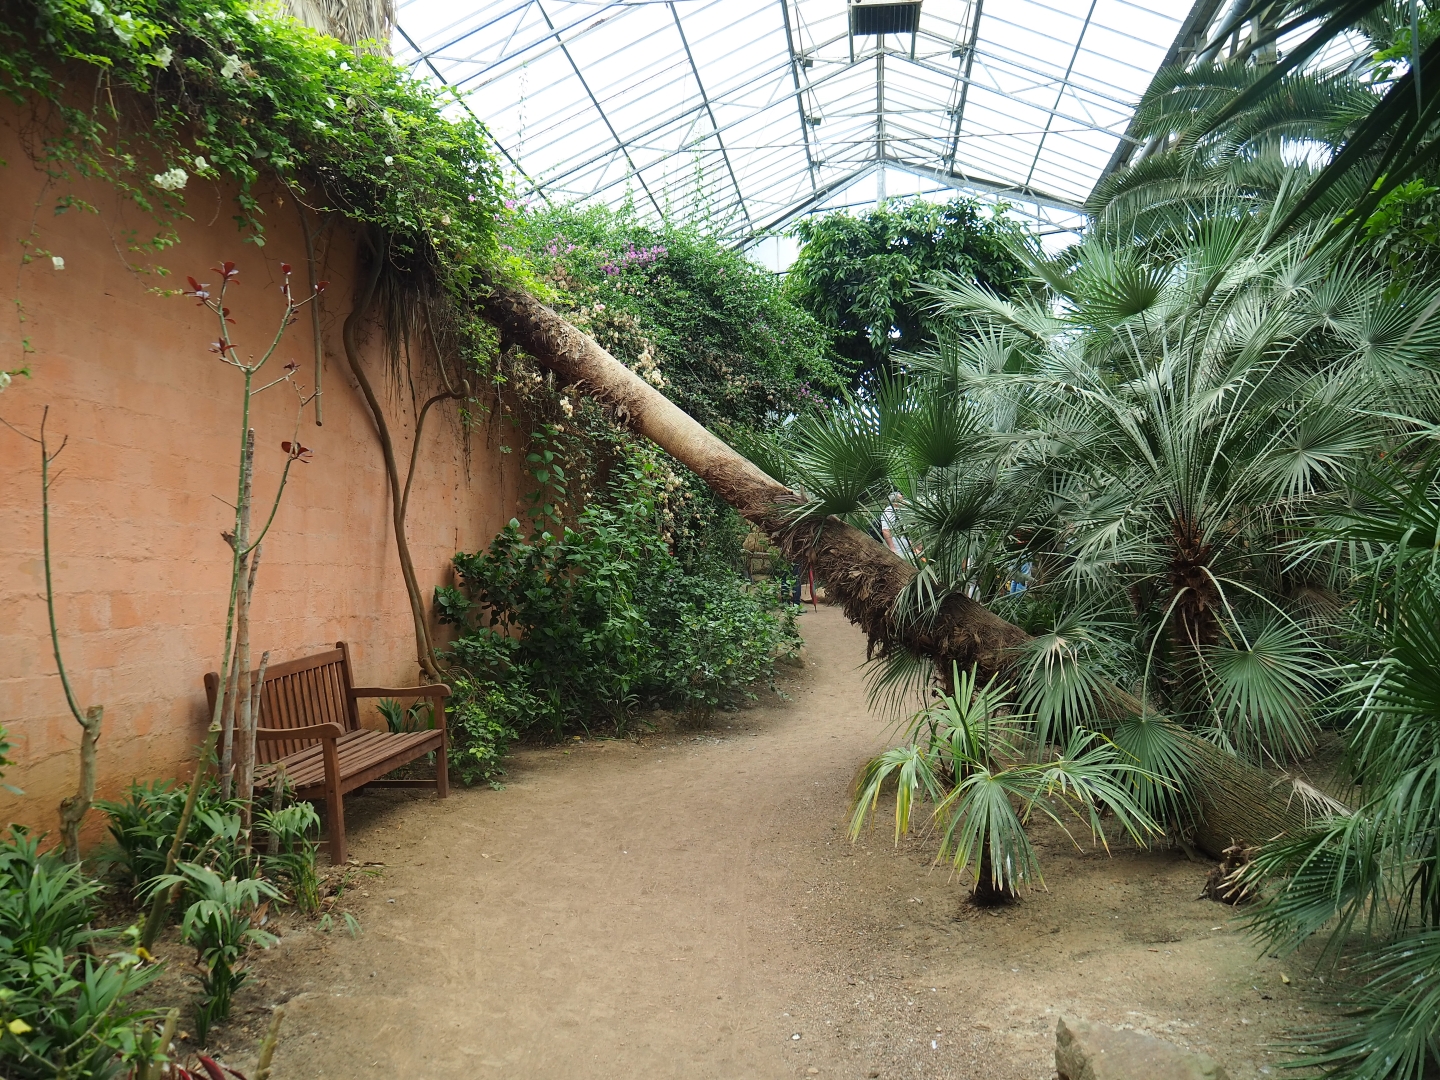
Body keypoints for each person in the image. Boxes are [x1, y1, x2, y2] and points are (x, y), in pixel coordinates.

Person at [880, 491, 912, 559]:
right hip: (896, 546)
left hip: (904, 545)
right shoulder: (889, 512)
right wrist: (892, 549)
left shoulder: (899, 511)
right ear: (895, 502)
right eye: (901, 499)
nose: (903, 501)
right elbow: (885, 530)